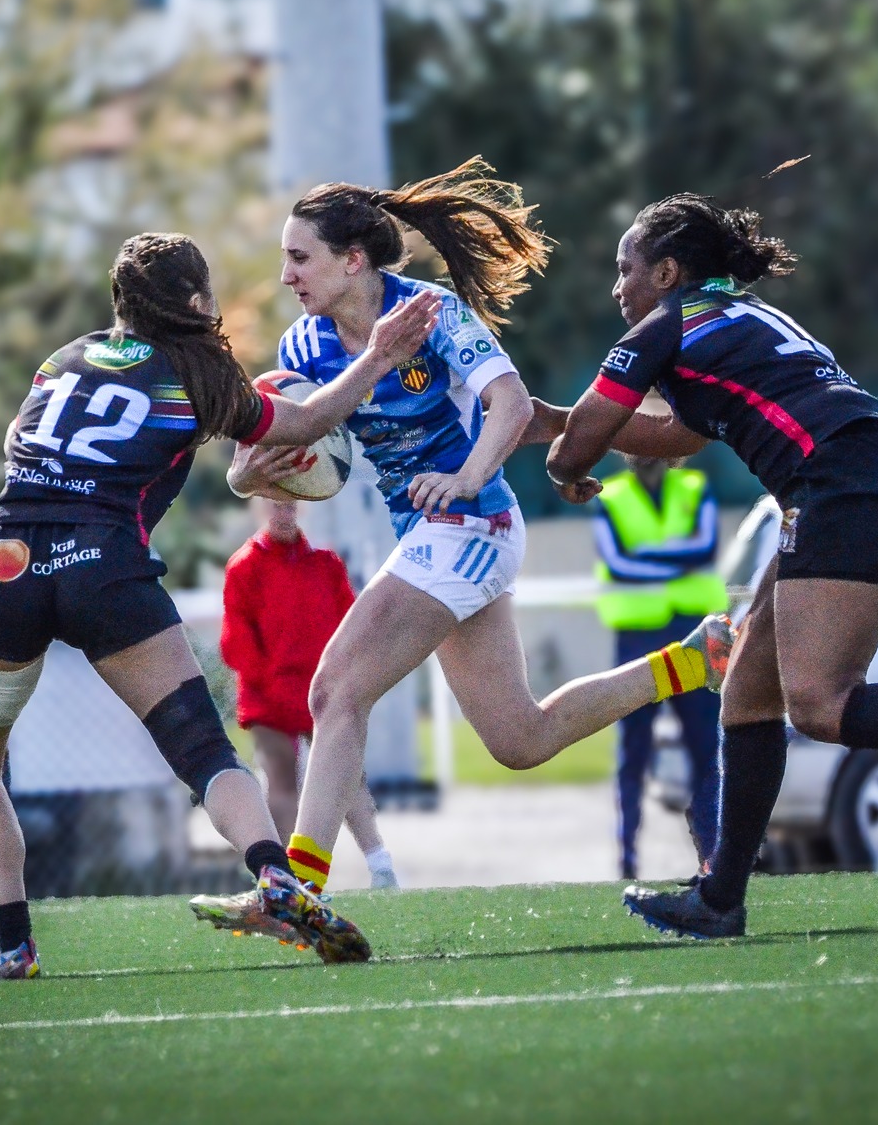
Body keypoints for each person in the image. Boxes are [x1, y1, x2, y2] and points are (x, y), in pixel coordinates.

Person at [536, 192, 878, 939]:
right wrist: (569, 428)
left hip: (842, 485)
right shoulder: (740, 311)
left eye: (624, 269)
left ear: (665, 271)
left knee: (819, 705)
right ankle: (719, 900)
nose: (616, 287)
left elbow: (577, 453)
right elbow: (686, 436)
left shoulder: (663, 327)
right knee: (749, 698)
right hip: (875, 475)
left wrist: (562, 450)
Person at [225, 158, 733, 929]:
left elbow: (508, 404)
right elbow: (255, 456)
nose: (287, 274)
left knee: (335, 690)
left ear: (352, 260)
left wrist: (464, 477)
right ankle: (692, 661)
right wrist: (252, 469)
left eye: (300, 257)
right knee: (519, 738)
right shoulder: (302, 348)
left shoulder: (430, 311)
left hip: (473, 524)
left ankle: (296, 893)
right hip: (429, 537)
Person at [0, 233, 440, 979]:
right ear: (197, 302)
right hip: (102, 564)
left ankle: (13, 945)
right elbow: (299, 425)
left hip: (4, 558)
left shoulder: (64, 358)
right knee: (202, 749)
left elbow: (23, 442)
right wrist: (377, 357)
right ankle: (275, 878)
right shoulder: (200, 372)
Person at [218, 495, 398, 889]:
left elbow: (348, 623)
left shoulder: (325, 564)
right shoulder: (245, 566)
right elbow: (236, 642)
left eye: (289, 505)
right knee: (281, 785)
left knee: (346, 777)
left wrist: (342, 679)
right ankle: (282, 877)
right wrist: (274, 682)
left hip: (323, 692)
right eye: (275, 506)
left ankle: (380, 863)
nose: (283, 513)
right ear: (260, 510)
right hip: (269, 698)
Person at [592, 453, 725, 876]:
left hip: (691, 636)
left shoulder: (694, 488)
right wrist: (675, 561)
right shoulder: (609, 497)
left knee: (707, 748)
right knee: (634, 752)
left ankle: (714, 855)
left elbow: (704, 549)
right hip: (638, 638)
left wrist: (648, 558)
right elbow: (617, 564)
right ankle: (627, 860)